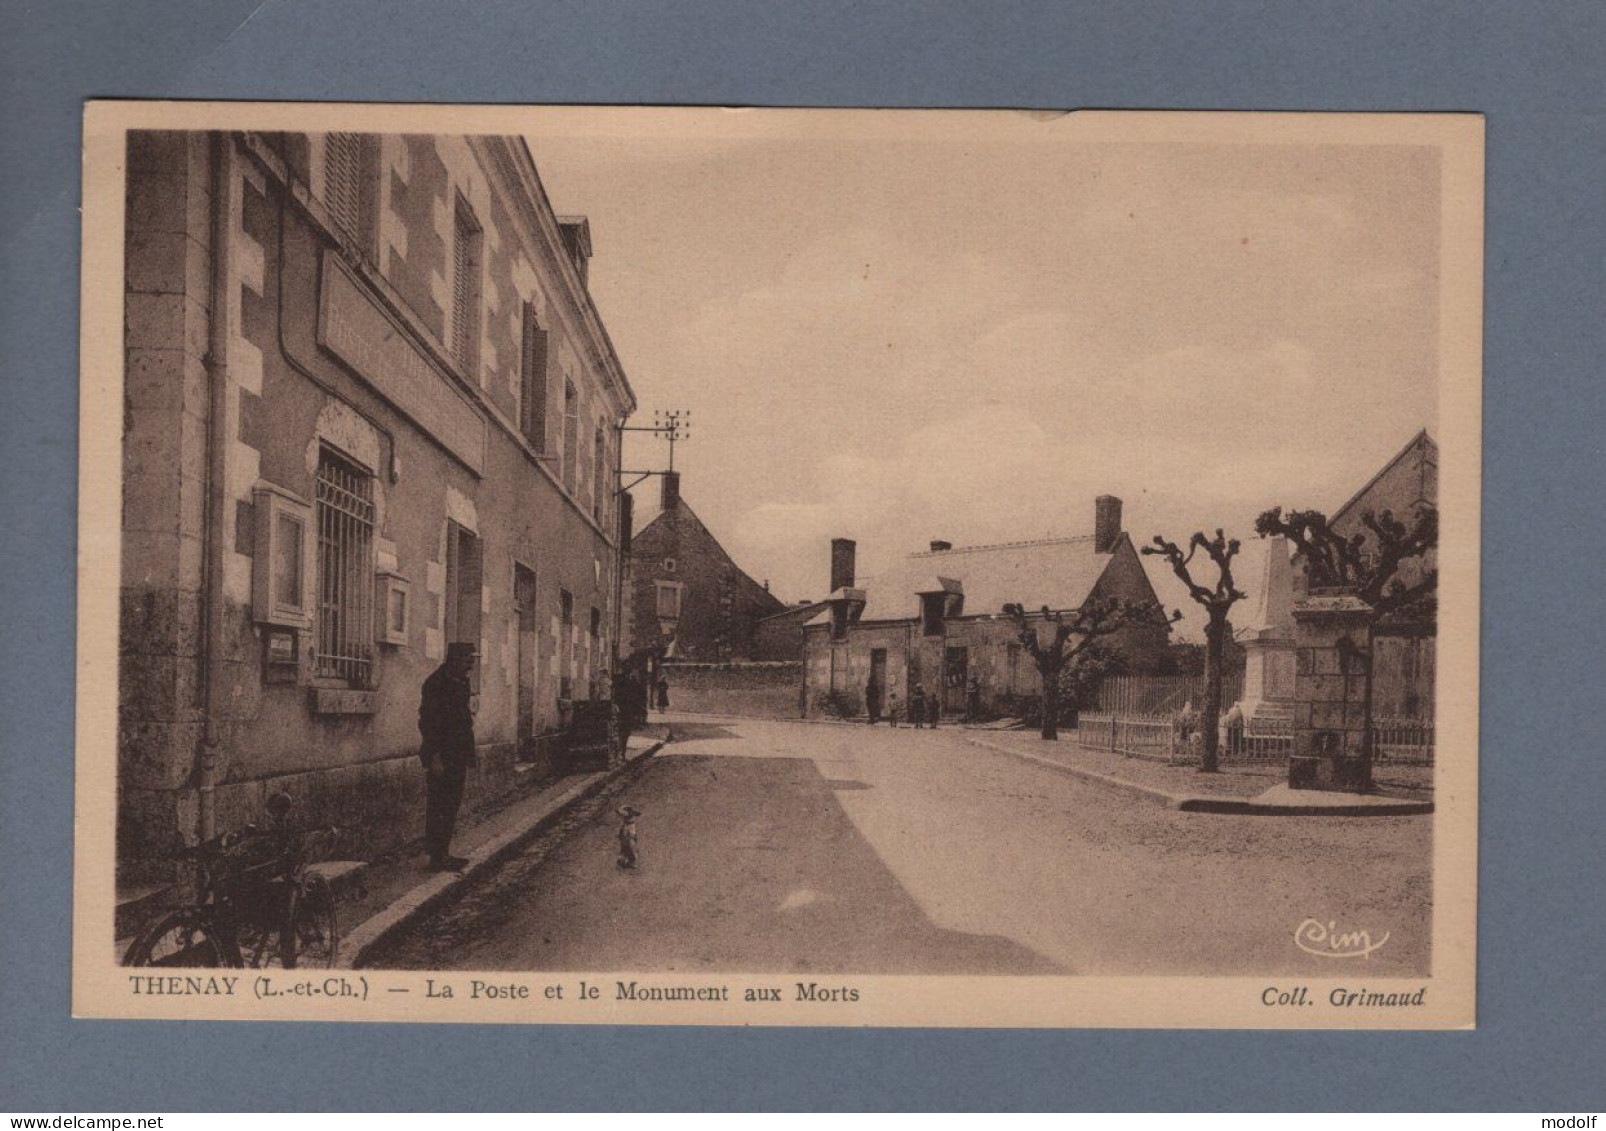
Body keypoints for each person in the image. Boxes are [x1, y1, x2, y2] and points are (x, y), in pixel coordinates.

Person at [418, 643, 477, 872]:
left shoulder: (461, 681)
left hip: (457, 753)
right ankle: (436, 856)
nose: (471, 663)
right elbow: (428, 723)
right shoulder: (436, 683)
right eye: (467, 658)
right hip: (442, 754)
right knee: (438, 805)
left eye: (472, 658)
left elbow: (463, 720)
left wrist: (468, 753)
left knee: (451, 804)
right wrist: (434, 757)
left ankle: (443, 852)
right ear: (454, 659)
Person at [617, 805, 642, 870]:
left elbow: (631, 830)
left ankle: (631, 862)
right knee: (624, 848)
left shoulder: (630, 819)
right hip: (625, 835)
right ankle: (621, 862)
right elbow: (622, 827)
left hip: (630, 835)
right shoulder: (625, 820)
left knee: (631, 848)